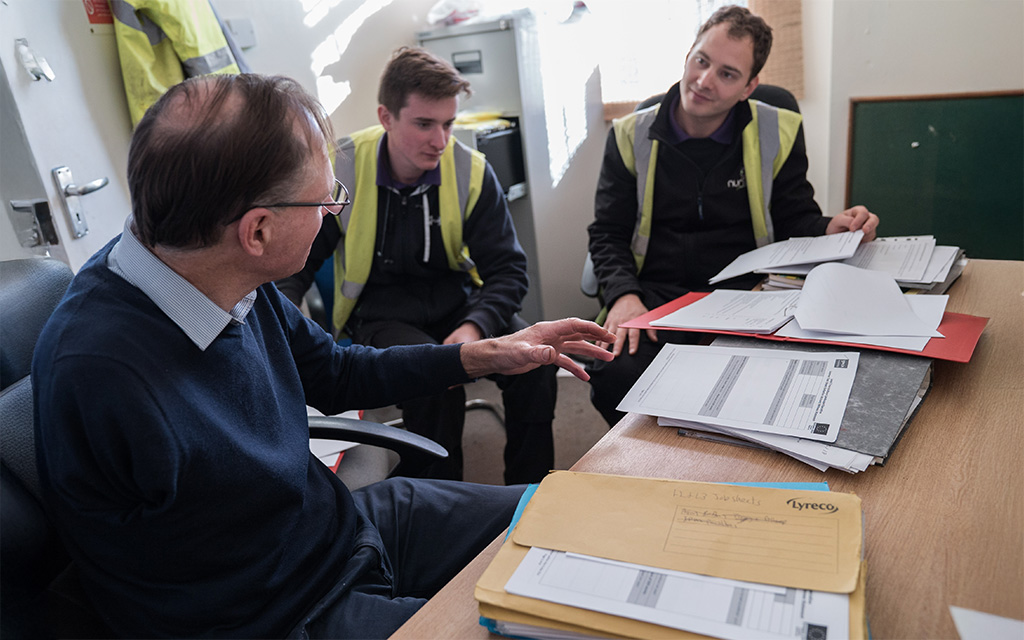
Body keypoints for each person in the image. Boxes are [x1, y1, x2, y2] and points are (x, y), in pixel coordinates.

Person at [32, 73, 615, 639]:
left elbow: (335, 371)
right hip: (276, 611)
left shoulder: (209, 266)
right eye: (327, 199)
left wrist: (484, 355)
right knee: (552, 624)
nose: (333, 209)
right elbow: (163, 589)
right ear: (257, 231)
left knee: (568, 517)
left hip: (343, 532)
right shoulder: (101, 372)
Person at [586, 5, 879, 426]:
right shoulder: (630, 135)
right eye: (701, 61)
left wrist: (831, 227)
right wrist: (622, 295)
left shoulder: (779, 129)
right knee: (615, 376)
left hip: (749, 296)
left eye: (727, 74)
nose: (704, 81)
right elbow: (608, 232)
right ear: (688, 55)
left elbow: (795, 217)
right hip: (656, 295)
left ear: (749, 86)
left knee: (785, 383)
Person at [277, 47, 558, 485]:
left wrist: (475, 329)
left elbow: (508, 272)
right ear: (386, 117)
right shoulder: (344, 167)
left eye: (448, 124)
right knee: (431, 386)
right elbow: (292, 270)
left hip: (458, 305)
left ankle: (533, 491)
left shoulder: (472, 171)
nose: (440, 141)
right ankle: (445, 503)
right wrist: (288, 330)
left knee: (535, 366)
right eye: (424, 124)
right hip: (382, 314)